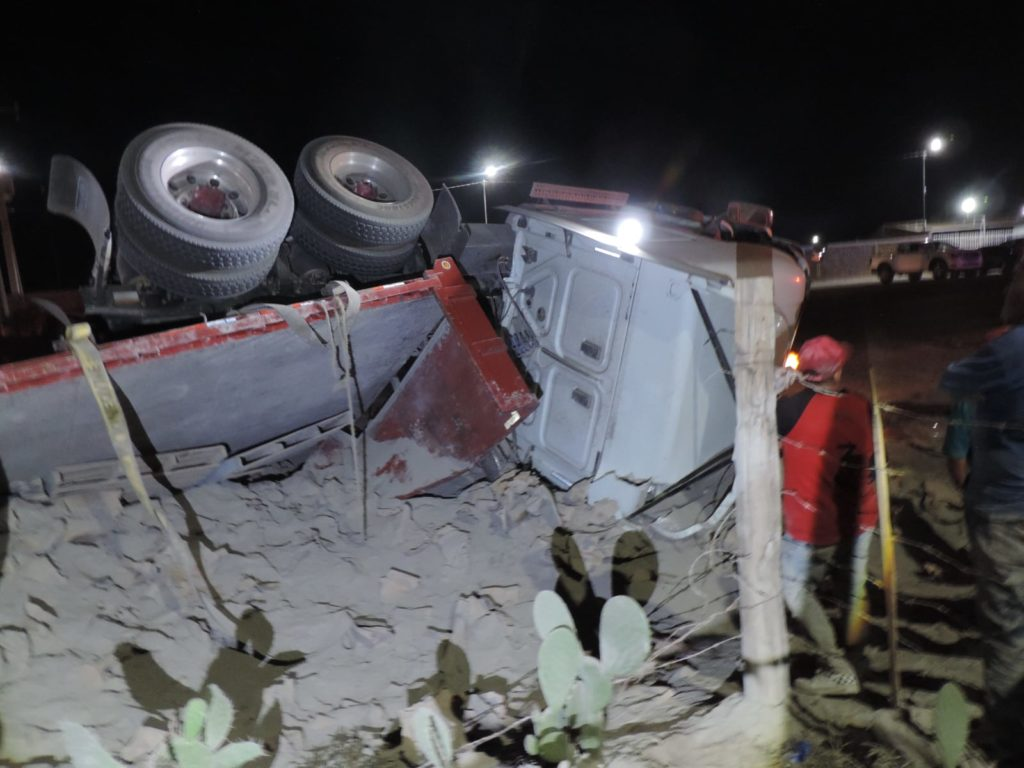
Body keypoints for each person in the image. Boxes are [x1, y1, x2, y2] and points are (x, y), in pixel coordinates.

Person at [940, 277, 1024, 765]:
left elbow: (952, 382)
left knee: (1007, 628)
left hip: (1005, 511)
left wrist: (991, 349)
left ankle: (1007, 740)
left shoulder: (1005, 351)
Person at [777, 335, 878, 695]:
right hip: (861, 514)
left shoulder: (789, 409)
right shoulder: (861, 405)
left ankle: (838, 668)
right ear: (836, 371)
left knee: (793, 589)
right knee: (852, 585)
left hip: (812, 522)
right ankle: (858, 652)